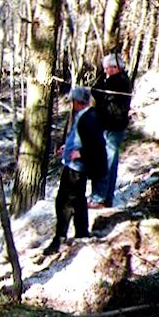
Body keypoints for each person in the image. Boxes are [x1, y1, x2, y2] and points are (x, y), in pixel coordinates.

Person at [44, 87, 107, 255]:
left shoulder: (90, 118)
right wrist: (67, 148)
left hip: (77, 167)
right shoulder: (85, 116)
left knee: (63, 202)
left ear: (77, 102)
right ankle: (81, 232)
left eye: (73, 101)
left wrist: (80, 153)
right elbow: (79, 138)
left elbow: (97, 145)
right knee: (78, 200)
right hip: (74, 164)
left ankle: (60, 238)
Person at [89, 53, 131, 208]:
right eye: (104, 68)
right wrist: (102, 76)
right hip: (107, 125)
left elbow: (100, 94)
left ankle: (100, 198)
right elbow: (94, 90)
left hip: (113, 127)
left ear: (116, 68)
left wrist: (104, 80)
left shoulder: (120, 82)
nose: (105, 71)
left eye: (108, 68)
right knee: (109, 163)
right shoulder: (110, 80)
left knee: (105, 163)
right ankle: (105, 198)